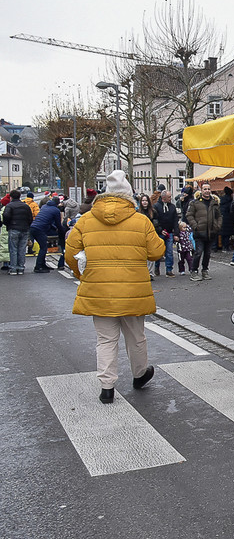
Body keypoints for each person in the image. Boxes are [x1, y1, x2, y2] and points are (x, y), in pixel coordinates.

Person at [65, 170, 166, 404]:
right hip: (132, 291)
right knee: (136, 337)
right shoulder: (140, 220)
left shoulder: (87, 220)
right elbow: (157, 252)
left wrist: (83, 274)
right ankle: (140, 374)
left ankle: (107, 386)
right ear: (129, 195)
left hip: (99, 291)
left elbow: (70, 254)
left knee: (105, 339)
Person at [185, 182, 221, 281]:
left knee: (208, 253)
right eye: (205, 189)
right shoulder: (195, 203)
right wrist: (195, 226)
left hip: (211, 232)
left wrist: (217, 226)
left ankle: (205, 270)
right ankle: (194, 271)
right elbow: (189, 215)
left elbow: (219, 216)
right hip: (199, 232)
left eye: (208, 189)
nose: (207, 191)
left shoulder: (214, 202)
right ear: (201, 191)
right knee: (198, 252)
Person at [2, 190, 32, 275]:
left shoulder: (9, 206)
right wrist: (26, 225)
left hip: (13, 229)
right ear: (19, 196)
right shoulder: (26, 206)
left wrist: (8, 225)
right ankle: (21, 268)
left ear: (11, 197)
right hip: (24, 229)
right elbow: (30, 218)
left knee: (13, 249)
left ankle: (13, 268)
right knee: (22, 249)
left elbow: (6, 217)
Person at [30, 196, 62, 273]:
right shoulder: (56, 210)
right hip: (40, 229)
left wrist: (54, 228)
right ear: (57, 203)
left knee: (43, 246)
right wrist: (61, 232)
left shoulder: (44, 207)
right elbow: (58, 224)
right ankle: (38, 266)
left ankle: (43, 264)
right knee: (43, 247)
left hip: (33, 227)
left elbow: (47, 220)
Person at [153, 190, 178, 277]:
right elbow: (155, 221)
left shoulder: (172, 207)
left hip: (170, 232)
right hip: (159, 233)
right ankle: (156, 267)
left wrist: (176, 233)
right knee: (158, 252)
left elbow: (175, 220)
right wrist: (160, 230)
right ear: (164, 198)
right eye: (169, 197)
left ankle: (169, 270)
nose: (171, 198)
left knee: (169, 252)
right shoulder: (156, 206)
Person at [137, 193, 159, 277]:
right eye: (143, 201)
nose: (144, 202)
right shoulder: (138, 212)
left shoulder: (153, 212)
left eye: (146, 200)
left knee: (151, 254)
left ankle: (150, 273)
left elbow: (157, 223)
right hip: (141, 235)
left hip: (150, 234)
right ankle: (144, 272)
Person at [217, 186, 234, 252]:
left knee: (222, 234)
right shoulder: (230, 201)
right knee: (227, 234)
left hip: (222, 218)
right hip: (229, 219)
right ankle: (226, 247)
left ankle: (221, 246)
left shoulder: (221, 200)